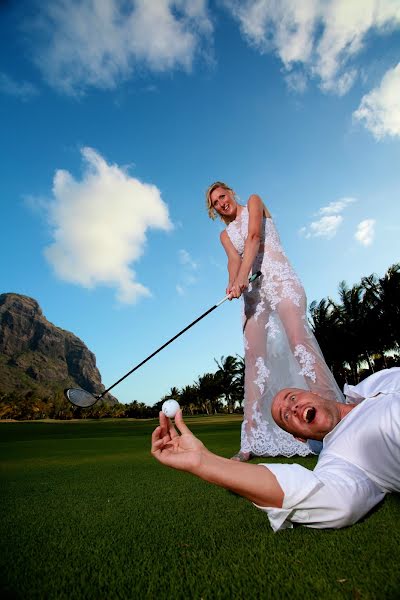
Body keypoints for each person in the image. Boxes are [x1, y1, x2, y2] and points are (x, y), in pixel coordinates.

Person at [151, 368, 400, 531]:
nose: (291, 408)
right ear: (299, 437)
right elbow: (333, 501)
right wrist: (204, 462)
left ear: (313, 394)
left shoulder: (374, 386)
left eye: (292, 398)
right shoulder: (340, 460)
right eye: (285, 416)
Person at [205, 182, 344, 460]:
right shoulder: (224, 235)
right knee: (254, 362)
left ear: (231, 193)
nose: (221, 202)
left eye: (223, 196)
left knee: (299, 342)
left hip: (280, 280)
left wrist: (243, 276)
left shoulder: (254, 201)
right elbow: (234, 260)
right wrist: (233, 284)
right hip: (254, 295)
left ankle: (337, 423)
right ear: (213, 209)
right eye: (215, 202)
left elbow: (254, 237)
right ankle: (251, 440)